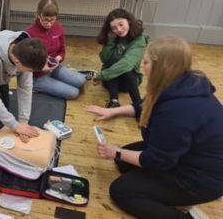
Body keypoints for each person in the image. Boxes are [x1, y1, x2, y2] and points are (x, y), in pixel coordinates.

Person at [86, 37, 223, 218]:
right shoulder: (182, 83)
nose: (143, 65)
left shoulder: (177, 112)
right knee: (124, 162)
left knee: (121, 190)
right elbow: (142, 106)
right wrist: (113, 112)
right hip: (187, 158)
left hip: (199, 179)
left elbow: (157, 161)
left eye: (146, 62)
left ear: (162, 67)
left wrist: (115, 152)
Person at [19, 0, 91, 100]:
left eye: (52, 20)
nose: (49, 24)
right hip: (37, 75)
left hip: (54, 67)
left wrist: (59, 58)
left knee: (81, 81)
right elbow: (24, 64)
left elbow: (62, 51)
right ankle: (36, 86)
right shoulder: (29, 33)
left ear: (56, 17)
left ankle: (58, 80)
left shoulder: (58, 28)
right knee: (74, 93)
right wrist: (41, 68)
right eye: (45, 20)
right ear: (38, 15)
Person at [92, 8, 148, 108]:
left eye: (121, 24)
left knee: (125, 68)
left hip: (129, 82)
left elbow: (127, 64)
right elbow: (105, 59)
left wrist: (101, 76)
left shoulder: (139, 39)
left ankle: (138, 105)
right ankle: (114, 101)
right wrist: (111, 40)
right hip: (110, 82)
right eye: (114, 28)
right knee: (114, 65)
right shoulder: (114, 36)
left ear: (129, 21)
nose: (118, 29)